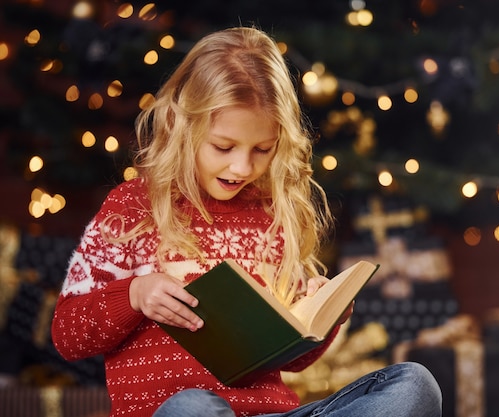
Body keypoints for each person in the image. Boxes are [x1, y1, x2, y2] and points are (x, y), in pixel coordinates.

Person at [51, 26, 442, 417]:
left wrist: (321, 319)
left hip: (270, 413)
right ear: (182, 124)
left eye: (262, 149)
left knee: (414, 385)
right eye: (223, 147)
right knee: (192, 407)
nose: (242, 167)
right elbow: (68, 334)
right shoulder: (134, 207)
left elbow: (289, 361)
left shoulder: (272, 216)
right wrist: (135, 294)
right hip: (182, 413)